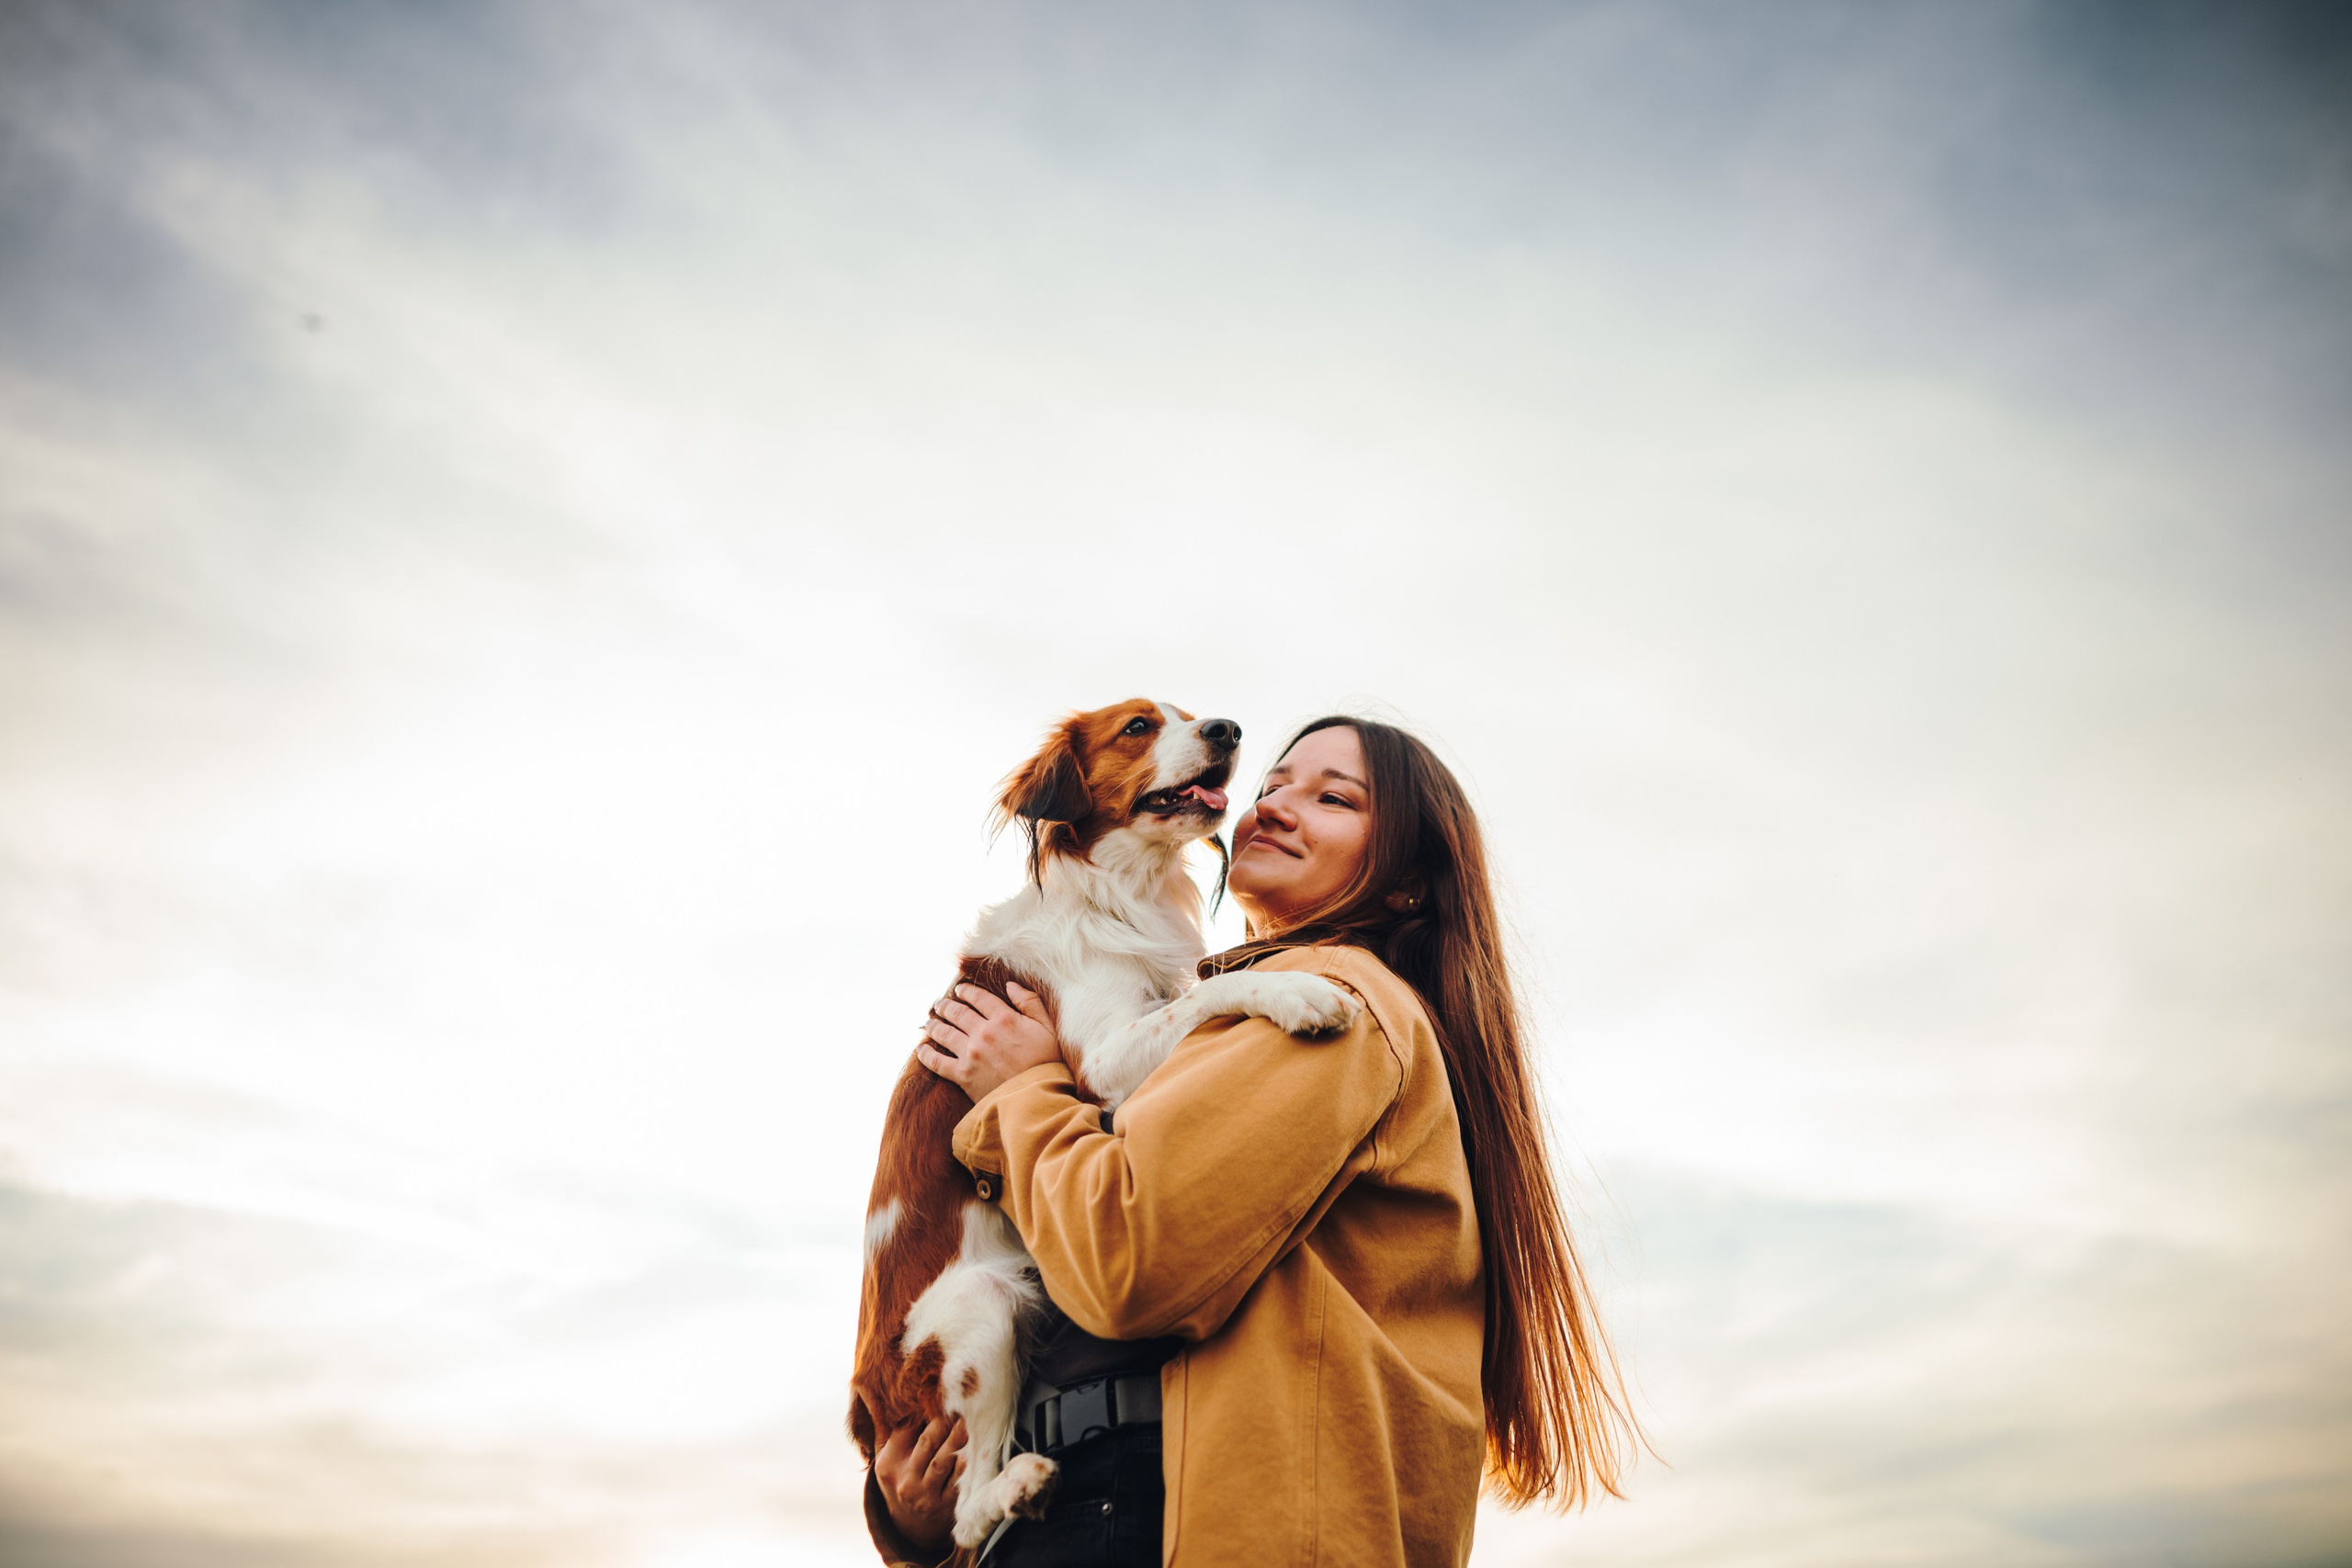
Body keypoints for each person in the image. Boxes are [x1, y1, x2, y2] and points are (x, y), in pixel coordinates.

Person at [873, 716, 1638, 1566]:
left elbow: (1130, 1258)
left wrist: (1019, 1091)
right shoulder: (1222, 998)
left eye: (1332, 797)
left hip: (1142, 1506)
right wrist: (918, 1518)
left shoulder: (1330, 1003)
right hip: (1064, 1497)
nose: (1276, 804)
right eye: (1273, 785)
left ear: (1407, 882)